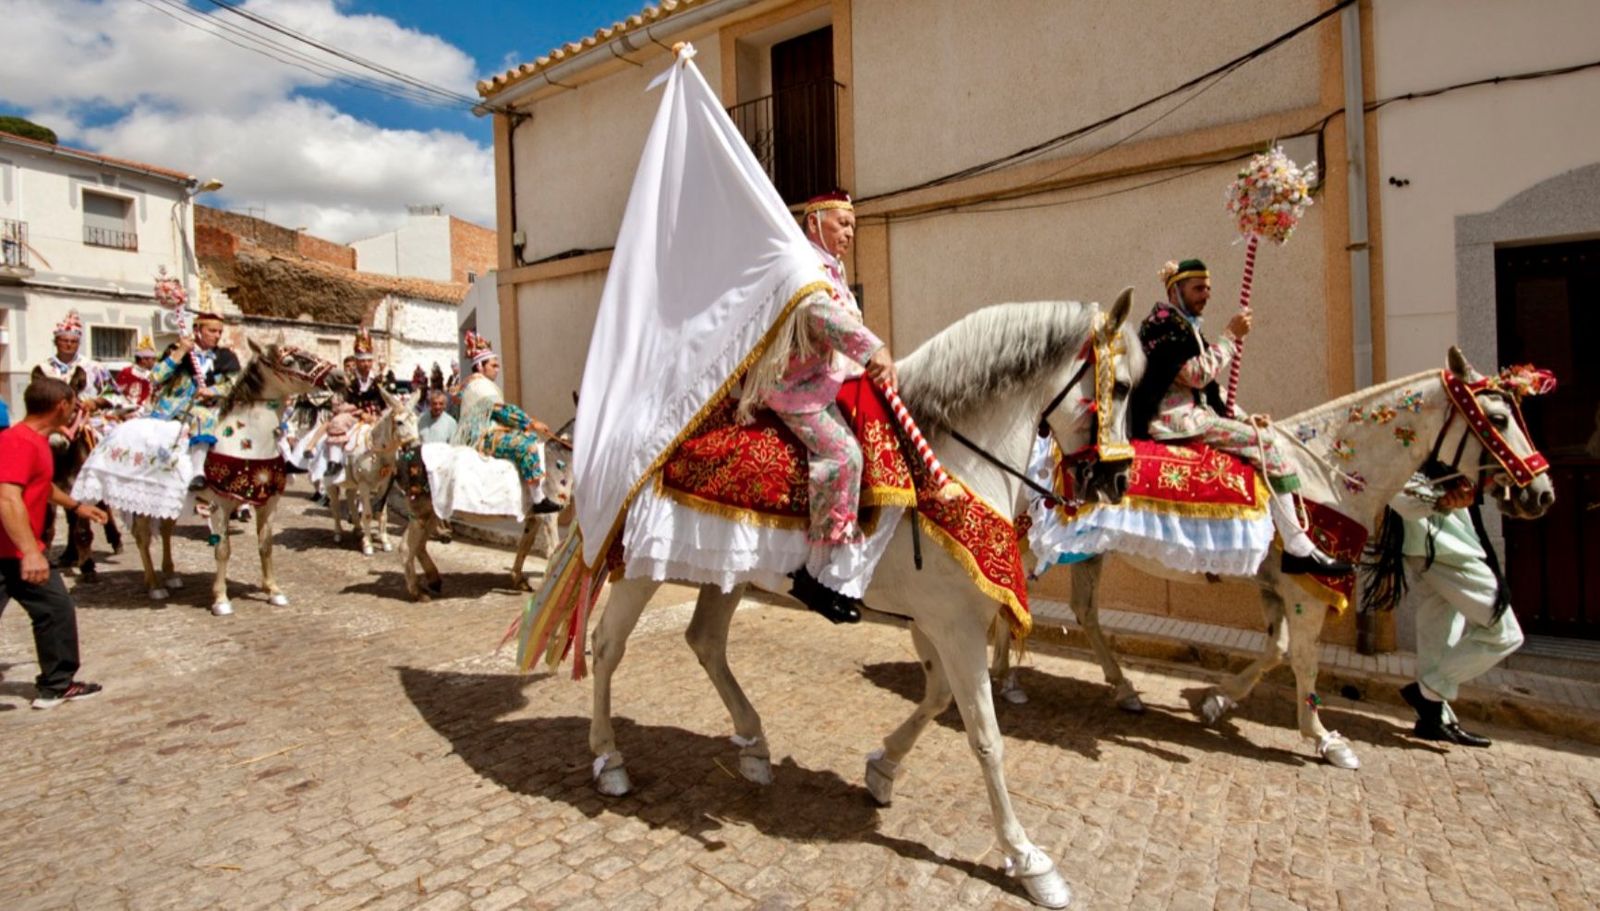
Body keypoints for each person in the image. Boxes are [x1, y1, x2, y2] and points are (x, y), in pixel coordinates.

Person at [1128, 258, 1349, 575]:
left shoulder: (1183, 325)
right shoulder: (1162, 325)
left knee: (1264, 433)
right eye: (1199, 288)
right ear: (1175, 291)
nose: (1206, 295)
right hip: (1175, 422)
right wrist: (1230, 337)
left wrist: (1245, 418)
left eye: (1208, 288)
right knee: (1266, 445)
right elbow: (1196, 376)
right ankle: (1297, 546)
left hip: (1195, 416)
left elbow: (1212, 390)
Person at [739, 191, 897, 625]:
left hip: (828, 380)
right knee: (843, 454)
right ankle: (817, 574)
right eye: (842, 223)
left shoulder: (832, 269)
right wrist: (873, 349)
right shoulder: (802, 266)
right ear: (814, 223)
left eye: (853, 225)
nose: (850, 233)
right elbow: (820, 315)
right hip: (794, 386)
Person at [1387, 474, 1520, 747]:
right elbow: (1394, 484)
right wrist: (1441, 499)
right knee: (1504, 633)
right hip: (1443, 546)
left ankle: (1435, 718)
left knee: (1438, 633)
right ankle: (1428, 691)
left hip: (1443, 543)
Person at [0, 376, 109, 709]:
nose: (77, 411)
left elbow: (41, 485)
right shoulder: (18, 442)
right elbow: (7, 498)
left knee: (55, 609)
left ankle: (57, 685)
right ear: (61, 405)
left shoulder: (35, 442)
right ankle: (57, 683)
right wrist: (30, 552)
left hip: (17, 550)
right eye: (74, 405)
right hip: (11, 551)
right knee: (55, 609)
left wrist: (77, 507)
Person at [147, 307, 241, 491]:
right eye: (212, 331)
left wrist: (212, 391)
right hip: (178, 405)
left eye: (220, 332)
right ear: (197, 330)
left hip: (216, 404)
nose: (217, 336)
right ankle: (197, 473)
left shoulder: (225, 356)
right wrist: (181, 351)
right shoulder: (177, 349)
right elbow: (155, 377)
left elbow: (234, 385)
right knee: (204, 417)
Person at [452, 333, 553, 485]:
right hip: (482, 437)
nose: (497, 369)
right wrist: (531, 423)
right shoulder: (479, 386)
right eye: (493, 365)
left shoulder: (478, 384)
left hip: (490, 432)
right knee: (527, 446)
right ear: (480, 367)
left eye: (497, 366)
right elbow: (502, 411)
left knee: (530, 438)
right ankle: (537, 494)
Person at [36, 310, 119, 413]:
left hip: (87, 418)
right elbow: (34, 399)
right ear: (56, 342)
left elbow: (115, 394)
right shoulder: (43, 369)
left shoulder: (94, 367)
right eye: (64, 340)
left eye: (74, 341)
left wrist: (95, 402)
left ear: (79, 344)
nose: (69, 344)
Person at [114, 335, 160, 412]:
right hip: (127, 412)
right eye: (153, 359)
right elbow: (117, 393)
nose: (154, 362)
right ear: (143, 360)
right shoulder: (127, 372)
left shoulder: (152, 375)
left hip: (146, 413)